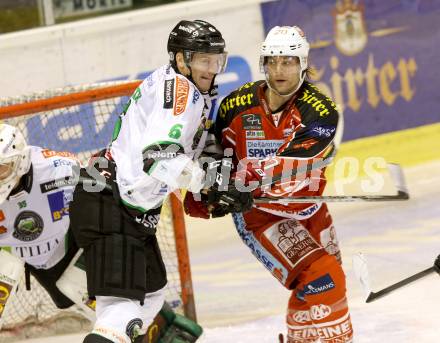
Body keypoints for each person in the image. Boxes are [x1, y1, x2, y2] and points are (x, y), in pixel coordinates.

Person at [185, 25, 354, 342]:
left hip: (308, 209)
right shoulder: (236, 105)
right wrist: (211, 189)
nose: (279, 70)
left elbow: (292, 166)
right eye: (272, 61)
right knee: (324, 277)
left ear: (302, 64)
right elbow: (212, 148)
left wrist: (241, 184)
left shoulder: (320, 112)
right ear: (263, 63)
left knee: (318, 284)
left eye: (288, 62)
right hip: (261, 216)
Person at [69, 19, 231, 343]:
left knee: (151, 296)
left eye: (216, 60)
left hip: (115, 204)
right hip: (113, 204)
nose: (211, 69)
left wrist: (220, 181)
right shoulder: (182, 91)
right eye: (202, 59)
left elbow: (195, 148)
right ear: (181, 59)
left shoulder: (176, 86)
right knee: (124, 309)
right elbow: (158, 156)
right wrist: (208, 184)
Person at [0, 123, 89, 328]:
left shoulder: (60, 169)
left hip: (67, 243)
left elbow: (100, 201)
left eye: (2, 169)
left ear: (20, 162)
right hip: (13, 253)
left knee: (106, 296)